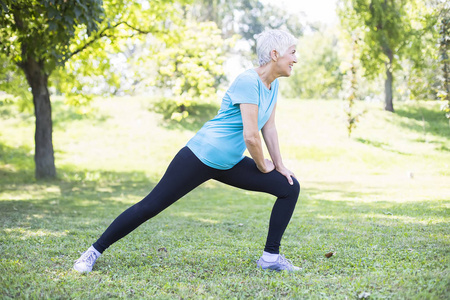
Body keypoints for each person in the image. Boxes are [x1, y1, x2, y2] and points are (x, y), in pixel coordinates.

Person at [73, 29, 300, 273]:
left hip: (229, 162)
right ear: (275, 54)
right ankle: (93, 251)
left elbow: (269, 127)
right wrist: (263, 165)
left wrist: (279, 165)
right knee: (150, 206)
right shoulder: (248, 81)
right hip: (201, 155)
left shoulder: (272, 86)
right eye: (292, 53)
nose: (295, 59)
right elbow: (251, 136)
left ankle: (270, 257)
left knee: (289, 186)